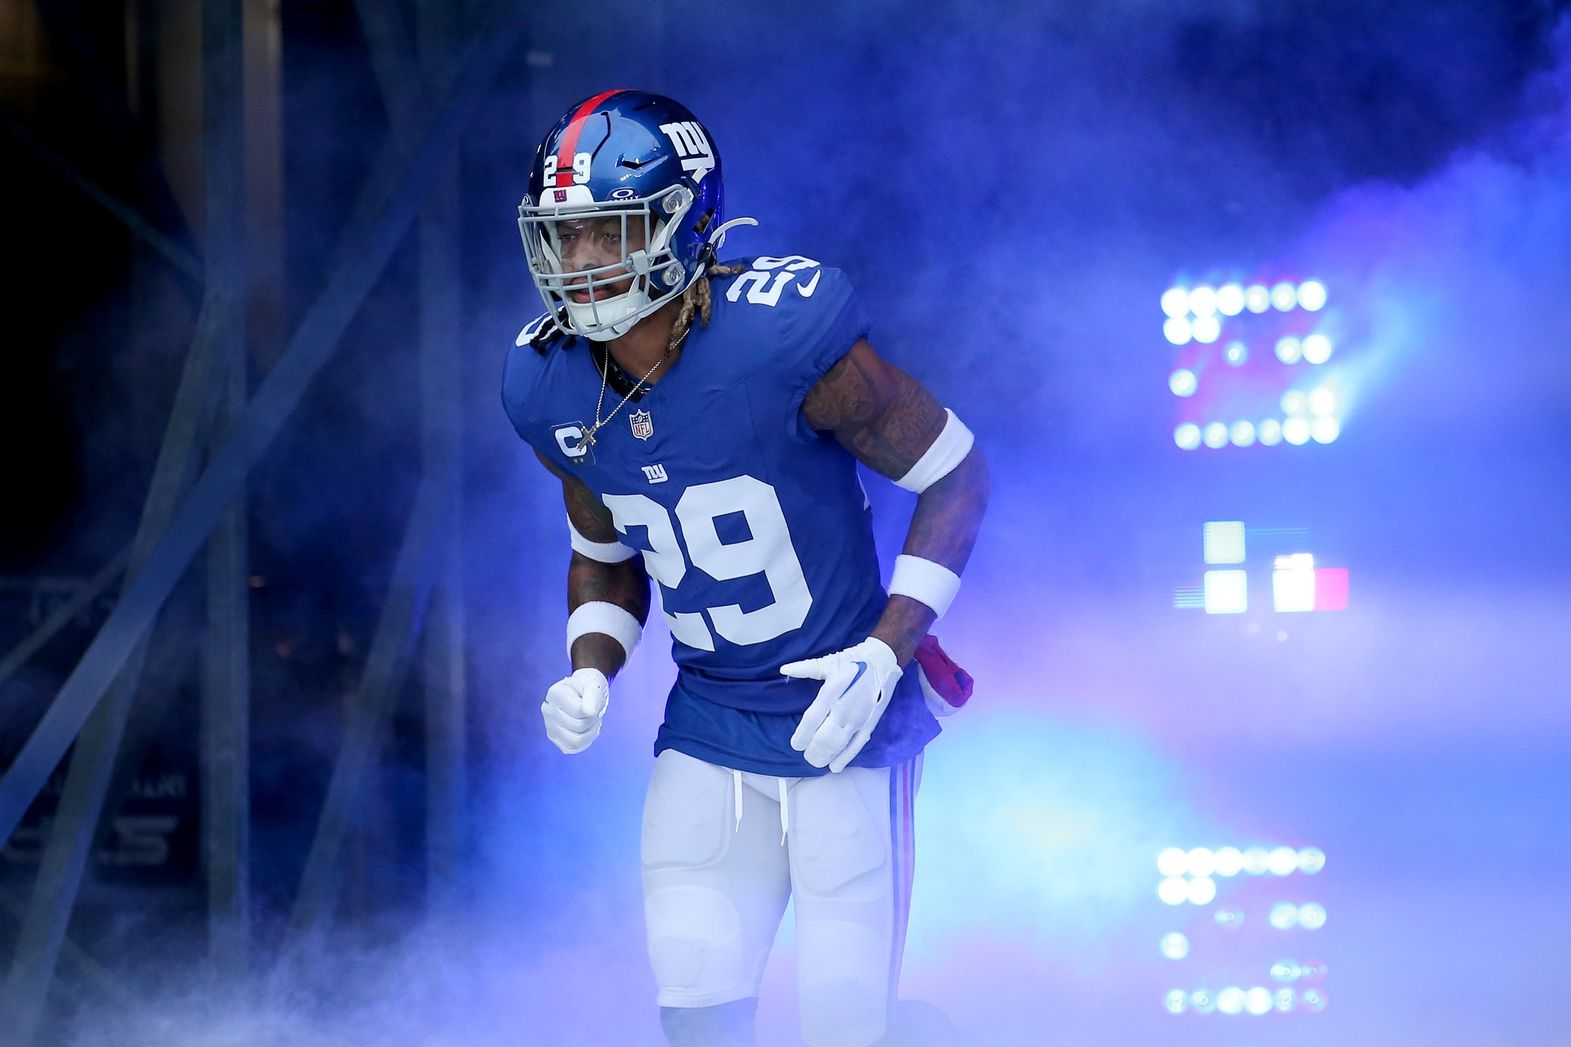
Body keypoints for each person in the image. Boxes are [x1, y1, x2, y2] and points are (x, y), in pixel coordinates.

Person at [501, 89, 987, 1047]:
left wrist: (887, 651)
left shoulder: (780, 336)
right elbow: (605, 550)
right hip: (709, 719)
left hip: (839, 719)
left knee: (849, 1028)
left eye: (608, 231)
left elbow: (958, 476)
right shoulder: (542, 379)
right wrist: (591, 668)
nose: (582, 262)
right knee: (697, 1023)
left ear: (681, 222)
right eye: (565, 237)